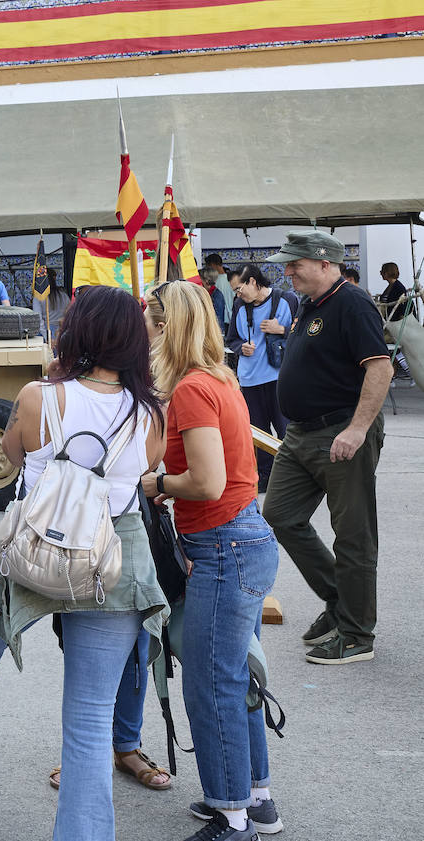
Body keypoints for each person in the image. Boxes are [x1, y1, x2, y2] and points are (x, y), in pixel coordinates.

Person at [0, 285, 168, 841]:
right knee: (92, 713)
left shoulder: (37, 396)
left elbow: (10, 454)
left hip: (34, 536)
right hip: (112, 552)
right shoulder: (150, 413)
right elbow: (146, 477)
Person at [144, 279, 283, 841]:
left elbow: (206, 480)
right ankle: (256, 800)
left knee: (211, 683)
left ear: (167, 326)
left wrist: (156, 482)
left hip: (225, 544)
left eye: (151, 320)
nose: (145, 331)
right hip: (237, 541)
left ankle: (232, 815)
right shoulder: (219, 379)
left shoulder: (192, 390)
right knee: (234, 676)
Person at [261, 231, 391, 665]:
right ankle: (339, 600)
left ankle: (356, 635)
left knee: (353, 535)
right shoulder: (309, 304)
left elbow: (380, 368)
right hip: (300, 434)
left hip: (341, 432)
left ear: (323, 262)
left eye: (294, 263)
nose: (287, 271)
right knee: (279, 515)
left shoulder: (352, 303)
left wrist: (357, 429)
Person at [225, 265, 295, 491]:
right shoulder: (239, 306)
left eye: (239, 288)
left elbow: (304, 334)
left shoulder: (287, 300)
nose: (238, 294)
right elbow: (232, 339)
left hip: (279, 377)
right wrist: (240, 348)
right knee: (259, 432)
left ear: (253, 282)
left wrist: (281, 330)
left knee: (286, 429)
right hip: (249, 379)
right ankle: (265, 477)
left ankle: (293, 475)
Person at [32, 267, 69, 344]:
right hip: (62, 331)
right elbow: (69, 314)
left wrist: (46, 337)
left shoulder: (38, 297)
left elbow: (38, 319)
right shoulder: (63, 295)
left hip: (47, 331)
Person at [204, 253, 235, 325]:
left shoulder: (214, 281)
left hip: (220, 318)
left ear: (212, 265)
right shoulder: (232, 279)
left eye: (208, 266)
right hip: (232, 318)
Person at [200, 268, 228, 335]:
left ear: (206, 281)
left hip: (214, 333)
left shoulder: (217, 295)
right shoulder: (205, 293)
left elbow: (218, 318)